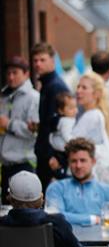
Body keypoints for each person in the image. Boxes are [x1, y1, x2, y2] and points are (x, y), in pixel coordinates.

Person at [0, 56, 39, 201]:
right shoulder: (3, 96)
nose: (11, 77)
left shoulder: (33, 97)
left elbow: (34, 131)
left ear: (26, 74)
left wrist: (9, 124)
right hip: (5, 164)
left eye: (15, 72)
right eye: (8, 73)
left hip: (24, 164)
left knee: (24, 209)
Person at [31, 42, 68, 189]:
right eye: (35, 60)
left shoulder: (55, 86)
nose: (38, 64)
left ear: (52, 60)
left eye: (42, 60)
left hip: (51, 156)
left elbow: (60, 123)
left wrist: (55, 157)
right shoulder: (47, 84)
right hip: (45, 153)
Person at [48, 92, 77, 179]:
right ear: (61, 110)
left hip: (59, 150)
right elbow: (66, 135)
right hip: (62, 152)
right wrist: (77, 142)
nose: (75, 110)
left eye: (75, 107)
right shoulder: (66, 121)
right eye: (71, 108)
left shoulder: (65, 120)